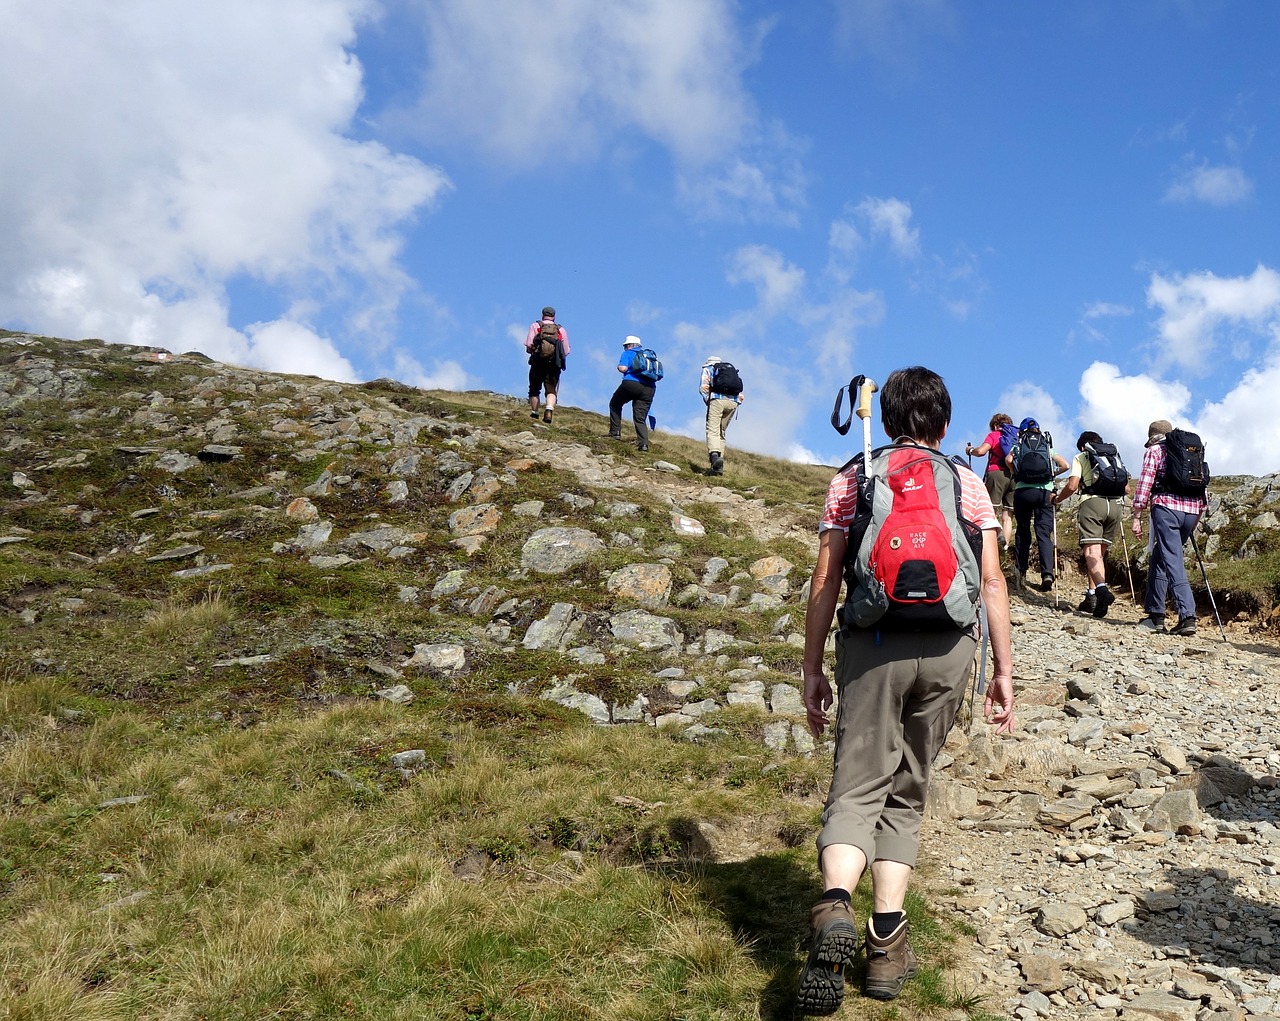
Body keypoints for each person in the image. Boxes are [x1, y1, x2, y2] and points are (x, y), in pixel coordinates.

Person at [799, 366, 1014, 1011]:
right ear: (944, 423)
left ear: (887, 418)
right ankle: (886, 946)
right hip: (950, 649)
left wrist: (812, 667)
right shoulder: (968, 484)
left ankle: (836, 904)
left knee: (858, 781)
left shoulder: (856, 476)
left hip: (874, 644)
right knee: (909, 788)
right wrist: (1002, 671)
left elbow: (825, 578)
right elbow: (994, 582)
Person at [1130, 419, 1206, 636]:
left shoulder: (1154, 450)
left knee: (1172, 559)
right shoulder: (1192, 450)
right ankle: (1155, 615)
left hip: (1166, 509)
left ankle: (1187, 615)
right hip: (1191, 511)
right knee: (1160, 558)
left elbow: (1145, 483)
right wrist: (1197, 516)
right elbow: (1202, 484)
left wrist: (1137, 516)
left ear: (1152, 436)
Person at [1053, 431, 1126, 617]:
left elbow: (1072, 485)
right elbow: (1126, 487)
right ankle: (1092, 596)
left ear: (1082, 446)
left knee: (1091, 552)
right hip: (1115, 507)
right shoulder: (1113, 456)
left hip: (1092, 504)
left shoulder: (1082, 456)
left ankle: (1102, 590)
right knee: (1099, 555)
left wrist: (1057, 499)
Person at [1004, 418, 1069, 593]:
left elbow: (1008, 459)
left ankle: (1021, 572)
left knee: (1023, 531)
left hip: (1023, 492)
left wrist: (1015, 472)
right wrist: (1052, 473)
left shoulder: (1019, 445)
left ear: (1023, 431)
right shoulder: (1046, 446)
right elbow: (1066, 465)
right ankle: (1047, 574)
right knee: (1043, 534)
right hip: (1045, 493)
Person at [965, 413, 1014, 548]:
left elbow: (981, 451)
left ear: (995, 425)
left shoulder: (994, 435)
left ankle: (992, 545)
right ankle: (1005, 546)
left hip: (996, 473)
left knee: (991, 510)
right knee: (1008, 514)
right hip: (1014, 475)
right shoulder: (1016, 437)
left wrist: (970, 450)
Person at [608, 336, 656, 451]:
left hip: (631, 384)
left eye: (625, 346)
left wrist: (619, 367)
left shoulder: (628, 353)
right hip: (649, 388)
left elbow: (623, 368)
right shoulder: (649, 356)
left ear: (630, 345)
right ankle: (643, 445)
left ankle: (615, 433)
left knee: (615, 404)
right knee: (640, 417)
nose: (625, 348)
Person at [523, 306, 569, 424]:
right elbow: (566, 351)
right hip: (554, 364)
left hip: (537, 362)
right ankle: (549, 410)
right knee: (551, 390)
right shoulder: (560, 330)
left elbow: (529, 345)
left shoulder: (536, 326)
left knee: (534, 389)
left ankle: (535, 412)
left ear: (542, 315)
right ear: (554, 316)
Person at [699, 356, 744, 476]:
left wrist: (709, 401)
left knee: (713, 429)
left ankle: (714, 457)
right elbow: (740, 393)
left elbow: (704, 387)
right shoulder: (730, 369)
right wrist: (737, 402)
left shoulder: (709, 369)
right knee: (721, 431)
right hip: (733, 403)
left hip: (717, 400)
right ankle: (720, 464)